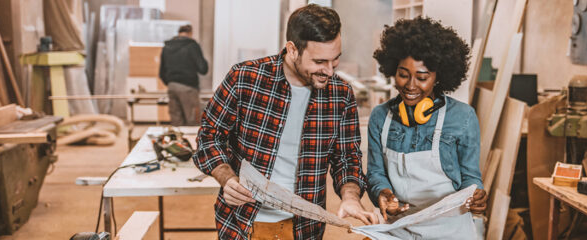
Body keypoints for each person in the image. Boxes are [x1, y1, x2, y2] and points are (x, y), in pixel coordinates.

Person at [193, 4, 377, 240]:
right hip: (243, 223)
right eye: (320, 61)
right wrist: (227, 179)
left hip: (304, 229)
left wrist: (351, 197)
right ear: (292, 49)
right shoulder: (245, 78)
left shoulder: (341, 94)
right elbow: (209, 136)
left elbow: (347, 157)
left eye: (336, 59)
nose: (329, 71)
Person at [366, 16, 487, 239]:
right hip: (398, 229)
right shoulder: (380, 117)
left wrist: (476, 195)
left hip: (450, 231)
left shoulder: (462, 117)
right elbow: (375, 173)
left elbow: (471, 177)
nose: (410, 86)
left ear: (438, 77)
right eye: (403, 75)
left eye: (422, 77)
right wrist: (382, 193)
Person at [159, 24, 208, 126]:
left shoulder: (167, 47)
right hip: (188, 88)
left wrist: (171, 83)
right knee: (193, 122)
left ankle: (179, 142)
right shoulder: (192, 46)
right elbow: (203, 69)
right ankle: (193, 142)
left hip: (172, 87)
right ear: (190, 33)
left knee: (176, 123)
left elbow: (161, 72)